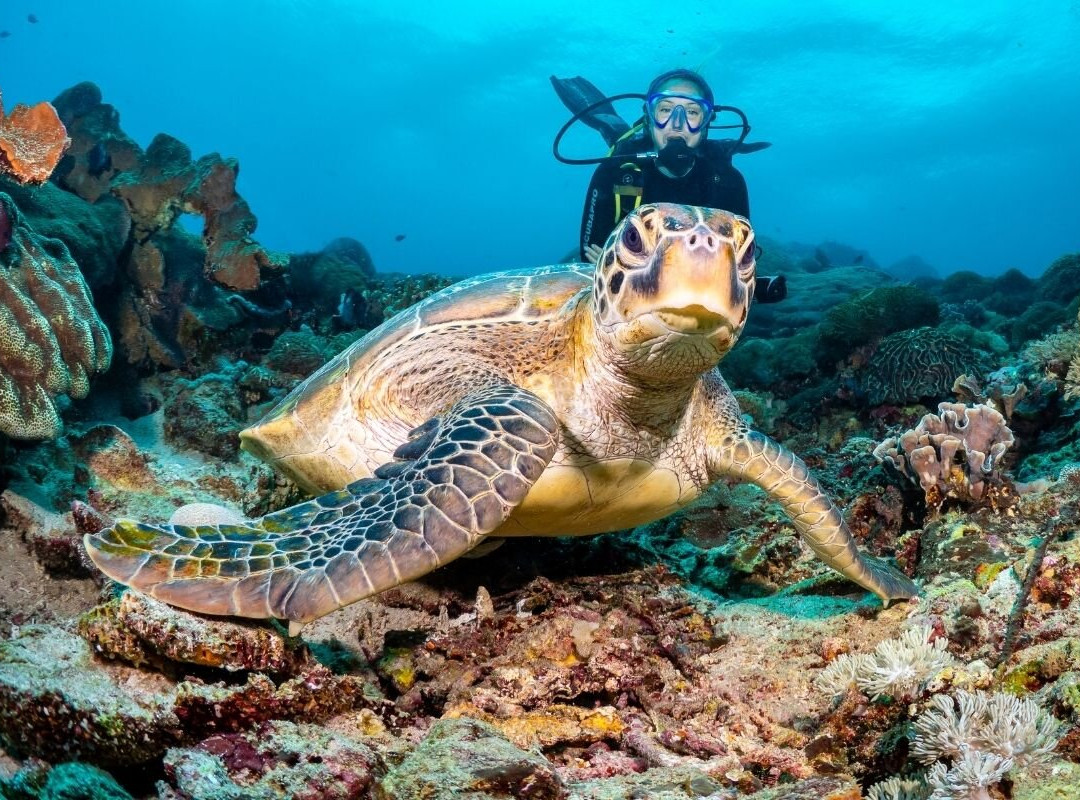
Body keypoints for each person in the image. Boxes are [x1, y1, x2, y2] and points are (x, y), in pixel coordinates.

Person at [577, 68, 786, 303]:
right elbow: (590, 259)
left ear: (706, 123)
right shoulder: (614, 173)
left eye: (692, 112)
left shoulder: (728, 182)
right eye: (665, 110)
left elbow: (739, 263)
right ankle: (612, 126)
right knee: (622, 142)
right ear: (649, 117)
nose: (677, 124)